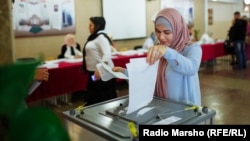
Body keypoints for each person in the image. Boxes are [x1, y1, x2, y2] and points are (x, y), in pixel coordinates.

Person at [113, 8, 202, 106]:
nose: (161, 37)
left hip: (185, 110)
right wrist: (124, 72)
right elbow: (148, 75)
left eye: (167, 32)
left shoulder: (192, 48)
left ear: (178, 29)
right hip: (163, 109)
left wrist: (167, 52)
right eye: (157, 31)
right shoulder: (159, 49)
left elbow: (191, 68)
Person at [81, 16, 117, 106]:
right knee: (91, 99)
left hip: (102, 74)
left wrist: (101, 69)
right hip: (93, 73)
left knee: (102, 100)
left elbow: (107, 54)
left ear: (97, 26)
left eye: (91, 25)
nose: (88, 27)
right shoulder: (93, 37)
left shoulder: (101, 37)